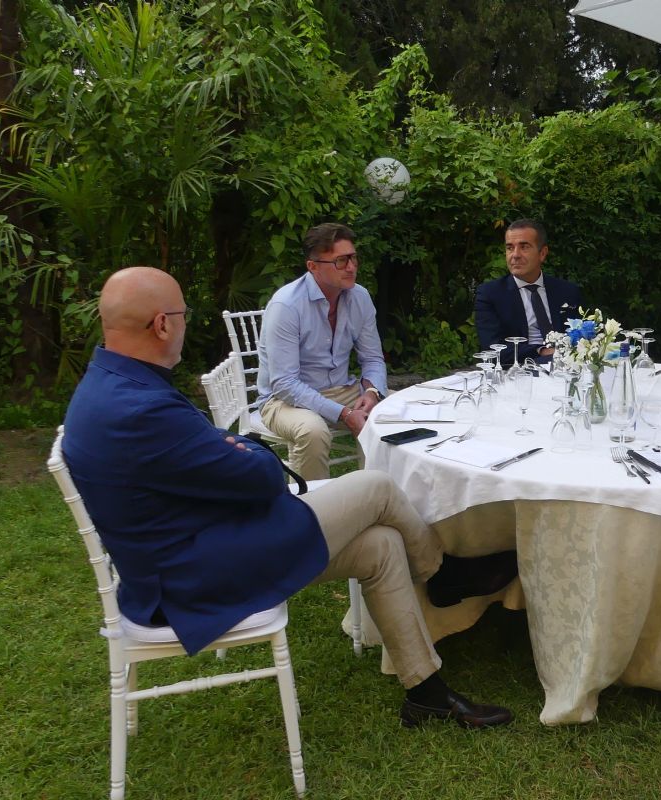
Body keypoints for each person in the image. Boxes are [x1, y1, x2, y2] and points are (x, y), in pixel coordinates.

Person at [63, 266, 514, 729]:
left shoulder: (110, 385)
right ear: (162, 324)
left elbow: (218, 459)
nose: (184, 324)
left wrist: (236, 447)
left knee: (380, 546)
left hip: (191, 552)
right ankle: (443, 571)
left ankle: (426, 692)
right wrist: (247, 450)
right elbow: (263, 477)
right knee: (376, 487)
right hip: (195, 577)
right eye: (183, 315)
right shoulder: (142, 407)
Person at [258, 223, 386, 481]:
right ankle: (312, 503)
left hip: (342, 390)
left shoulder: (360, 297)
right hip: (283, 401)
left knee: (394, 412)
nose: (351, 267)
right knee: (313, 431)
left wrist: (372, 392)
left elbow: (373, 358)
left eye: (353, 258)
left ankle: (377, 491)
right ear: (313, 266)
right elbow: (284, 383)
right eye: (341, 261)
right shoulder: (286, 305)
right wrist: (343, 413)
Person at [475, 219, 582, 365]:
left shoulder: (567, 291)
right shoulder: (490, 294)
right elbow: (492, 349)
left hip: (565, 368)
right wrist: (541, 351)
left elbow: (580, 339)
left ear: (542, 253)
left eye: (524, 247)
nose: (515, 255)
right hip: (518, 369)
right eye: (510, 248)